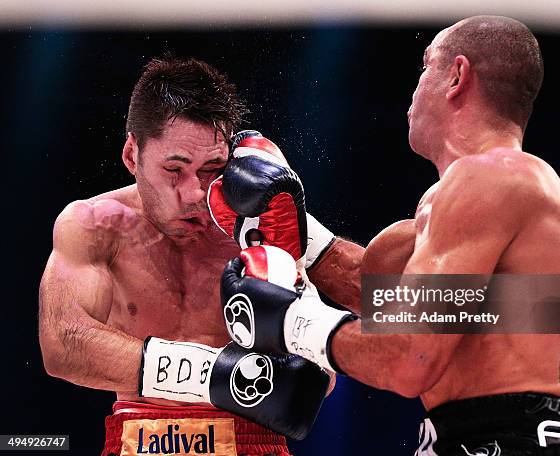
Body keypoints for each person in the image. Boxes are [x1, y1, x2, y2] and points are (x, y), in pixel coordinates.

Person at [217, 16, 560, 455]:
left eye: (425, 66)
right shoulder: (466, 203)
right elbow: (376, 292)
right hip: (465, 435)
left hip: (509, 439)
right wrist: (281, 222)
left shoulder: (496, 176)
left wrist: (292, 322)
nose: (414, 88)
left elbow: (408, 358)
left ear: (457, 76)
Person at [38, 56, 342, 456]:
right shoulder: (95, 225)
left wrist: (289, 254)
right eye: (174, 169)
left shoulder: (261, 221)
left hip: (251, 441)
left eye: (211, 168)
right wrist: (216, 375)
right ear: (132, 155)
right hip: (136, 439)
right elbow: (62, 344)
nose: (196, 193)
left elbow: (322, 370)